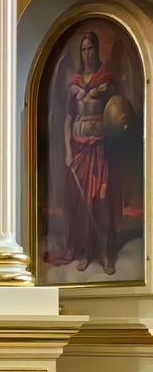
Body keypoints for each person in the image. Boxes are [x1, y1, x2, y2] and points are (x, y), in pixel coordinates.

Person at [44, 31, 123, 275]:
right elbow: (68, 120)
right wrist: (68, 151)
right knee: (82, 204)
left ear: (97, 50)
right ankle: (87, 251)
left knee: (102, 200)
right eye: (84, 49)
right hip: (79, 149)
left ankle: (106, 254)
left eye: (91, 48)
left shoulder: (107, 80)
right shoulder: (74, 83)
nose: (88, 54)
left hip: (100, 148)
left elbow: (118, 112)